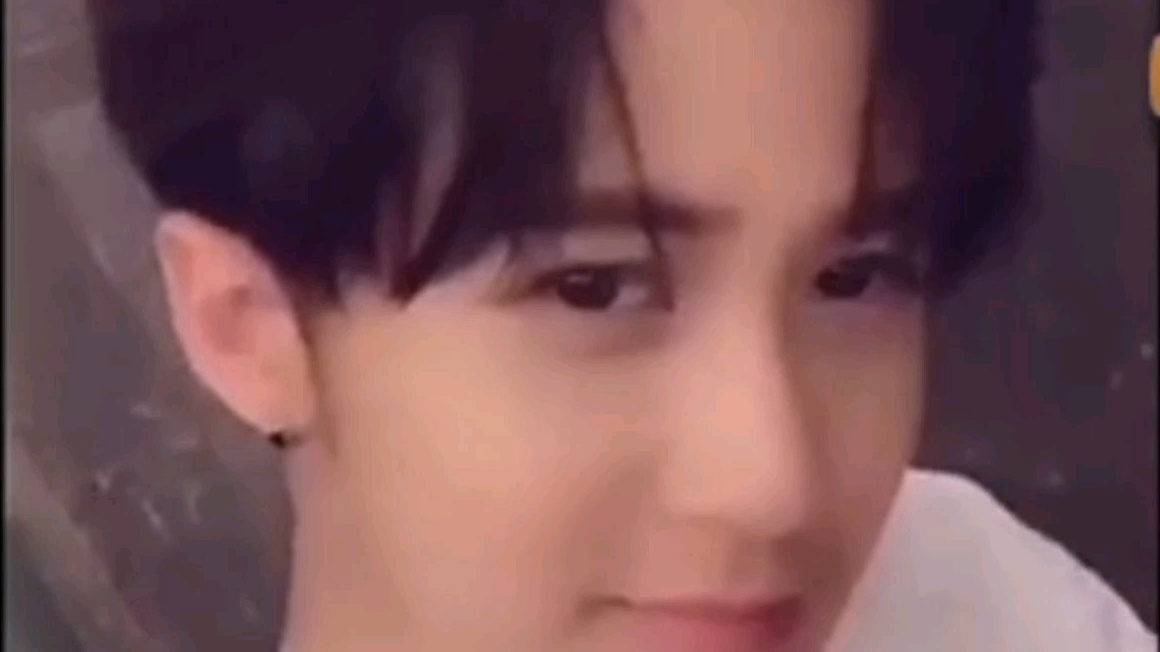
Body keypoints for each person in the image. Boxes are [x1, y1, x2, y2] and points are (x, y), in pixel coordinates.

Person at [86, 0, 1155, 650]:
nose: (770, 483)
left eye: (855, 276)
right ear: (246, 325)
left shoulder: (972, 595)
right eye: (594, 287)